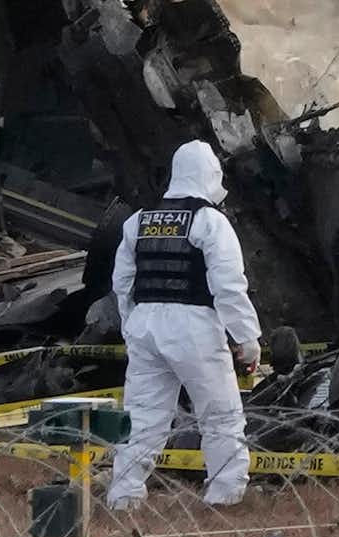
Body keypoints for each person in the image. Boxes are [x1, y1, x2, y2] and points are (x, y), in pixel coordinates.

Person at [106, 141, 261, 511]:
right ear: (210, 175)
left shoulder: (139, 220)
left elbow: (122, 283)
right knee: (220, 415)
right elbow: (228, 286)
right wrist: (247, 337)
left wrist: (131, 326)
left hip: (145, 326)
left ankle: (123, 495)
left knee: (141, 417)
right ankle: (226, 494)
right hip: (194, 327)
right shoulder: (210, 221)